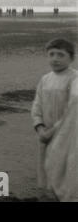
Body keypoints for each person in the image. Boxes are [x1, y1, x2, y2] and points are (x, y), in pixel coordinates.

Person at [31, 38, 78, 201]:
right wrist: (40, 126)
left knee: (66, 172)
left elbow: (72, 109)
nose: (55, 58)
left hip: (67, 136)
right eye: (51, 54)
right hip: (46, 134)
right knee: (47, 169)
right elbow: (37, 105)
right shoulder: (45, 79)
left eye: (61, 55)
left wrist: (54, 130)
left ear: (71, 58)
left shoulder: (74, 79)